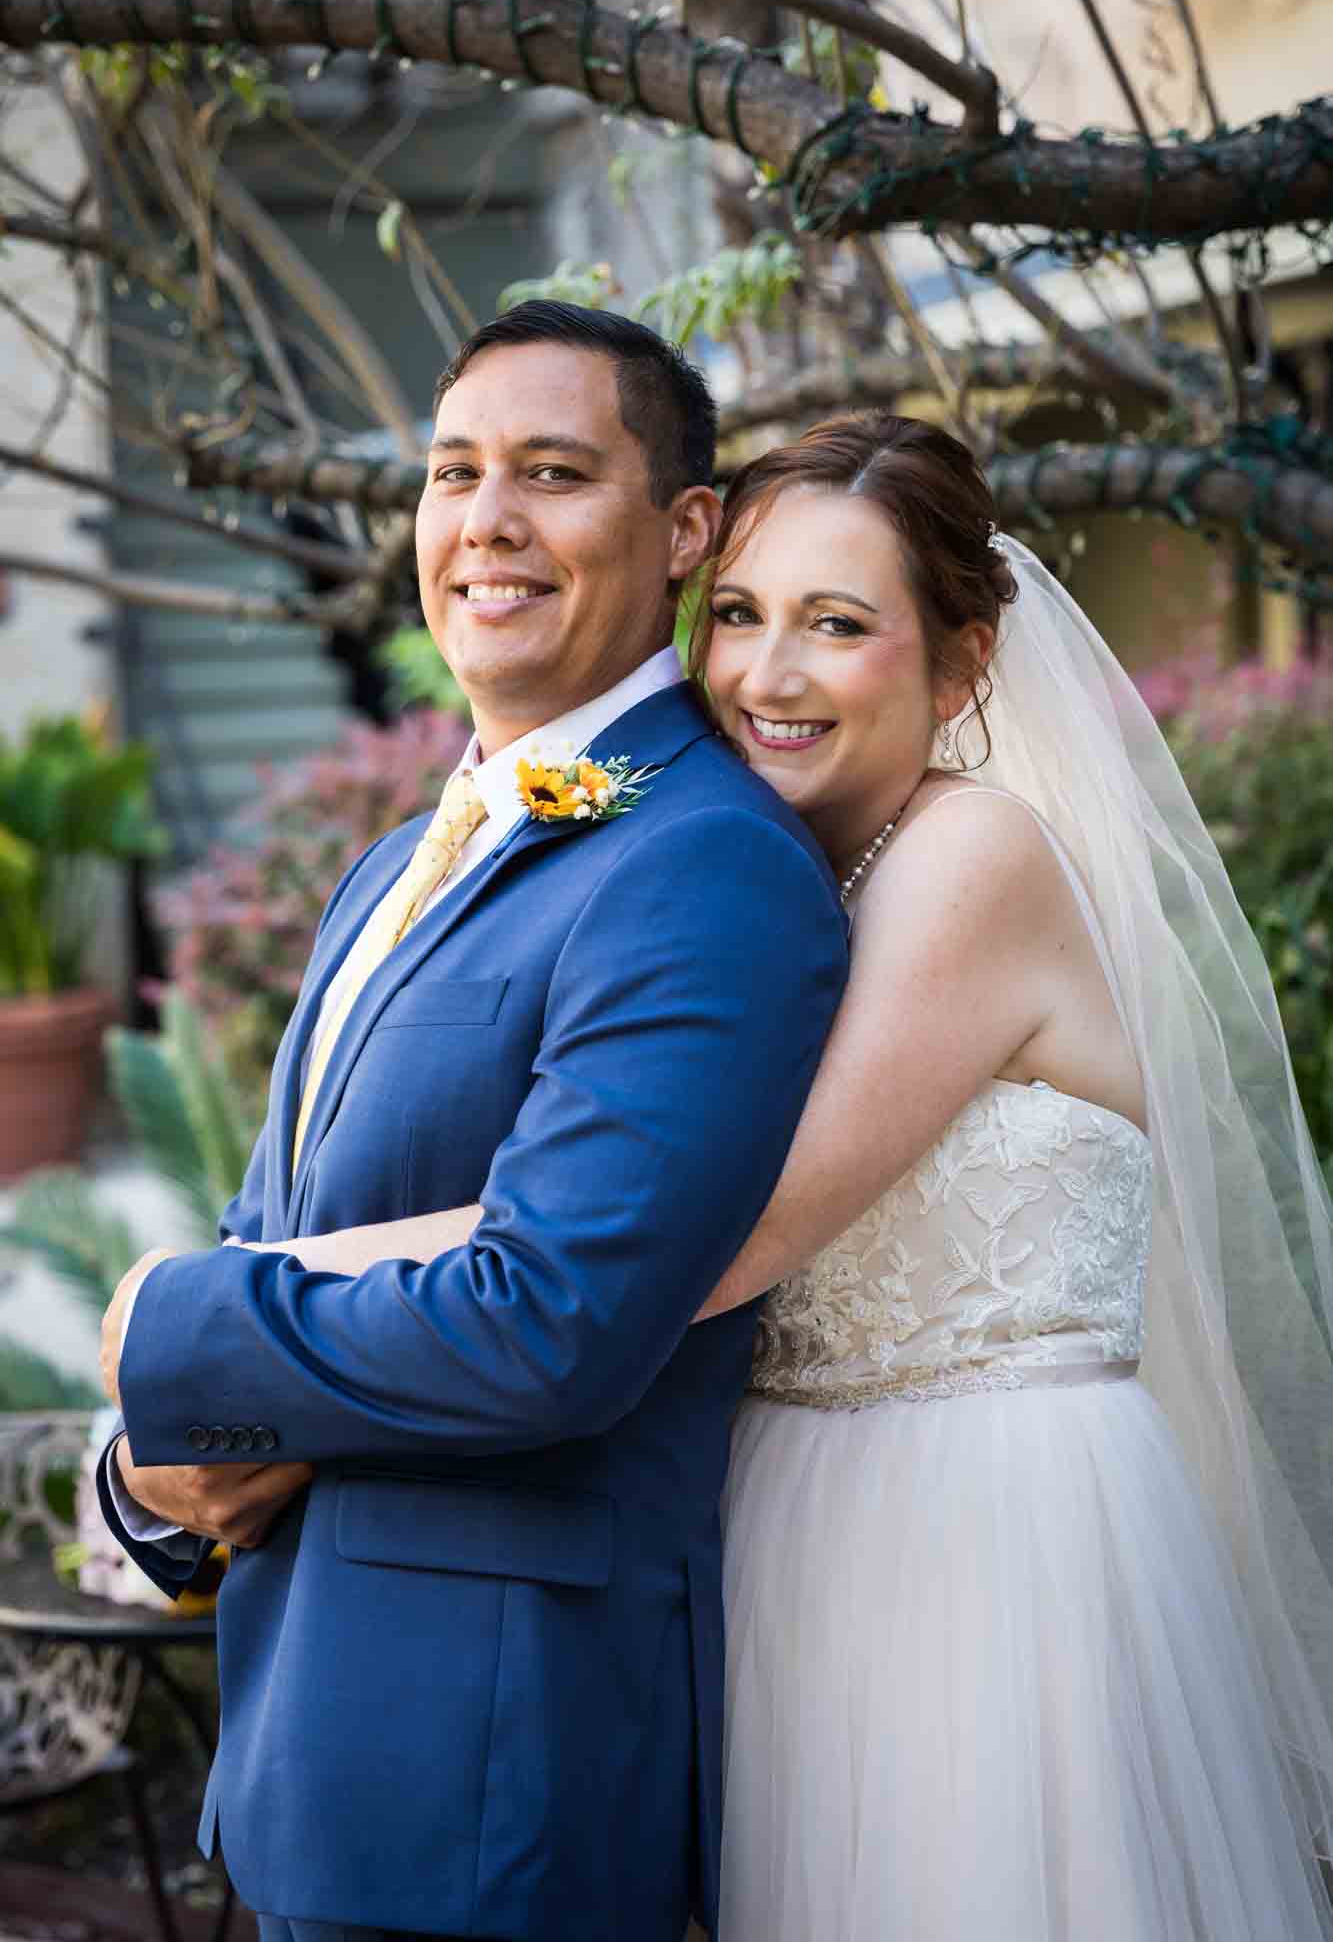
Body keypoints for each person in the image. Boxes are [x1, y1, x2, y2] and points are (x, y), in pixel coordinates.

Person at [293, 411, 1333, 1939]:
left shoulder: (973, 860)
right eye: (738, 618)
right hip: (783, 1528)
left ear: (962, 666)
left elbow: (694, 1236)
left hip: (989, 1543)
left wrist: (266, 1291)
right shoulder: (764, 881)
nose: (764, 679)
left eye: (836, 627)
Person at [94, 302, 849, 1942]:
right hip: (320, 1760)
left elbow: (553, 1320)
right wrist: (159, 1478)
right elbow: (288, 1234)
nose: (485, 521)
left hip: (504, 1790)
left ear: (684, 531)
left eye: (554, 472)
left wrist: (173, 1326)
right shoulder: (394, 859)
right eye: (453, 474)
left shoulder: (699, 863)